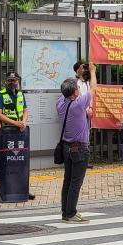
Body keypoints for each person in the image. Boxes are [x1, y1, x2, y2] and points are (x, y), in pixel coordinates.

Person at [54, 76, 93, 223]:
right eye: (77, 89)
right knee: (76, 182)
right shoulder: (78, 105)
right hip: (79, 149)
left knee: (68, 181)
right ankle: (71, 214)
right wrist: (93, 72)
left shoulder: (60, 104)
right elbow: (93, 88)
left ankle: (65, 213)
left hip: (66, 147)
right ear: (76, 93)